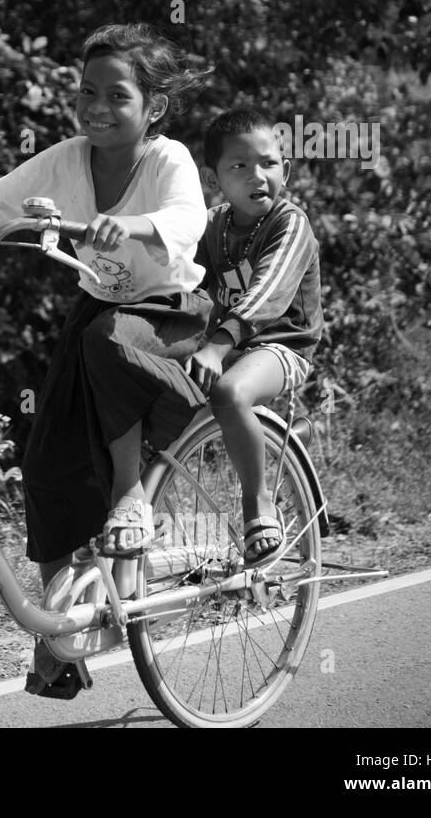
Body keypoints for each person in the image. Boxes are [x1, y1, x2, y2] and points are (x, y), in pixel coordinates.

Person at [0, 23, 212, 697]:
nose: (97, 108)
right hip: (99, 316)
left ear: (155, 109)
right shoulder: (66, 159)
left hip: (168, 317)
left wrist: (132, 226)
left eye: (118, 96)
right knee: (46, 463)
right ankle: (58, 635)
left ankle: (130, 494)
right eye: (87, 92)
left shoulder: (167, 160)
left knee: (106, 339)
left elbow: (185, 222)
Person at [186, 108, 324, 567]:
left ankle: (258, 505)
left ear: (285, 170)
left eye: (267, 163)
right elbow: (179, 277)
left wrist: (216, 344)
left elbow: (268, 293)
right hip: (227, 347)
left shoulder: (290, 222)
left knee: (227, 393)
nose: (256, 176)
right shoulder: (212, 225)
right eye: (239, 167)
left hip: (281, 347)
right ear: (214, 178)